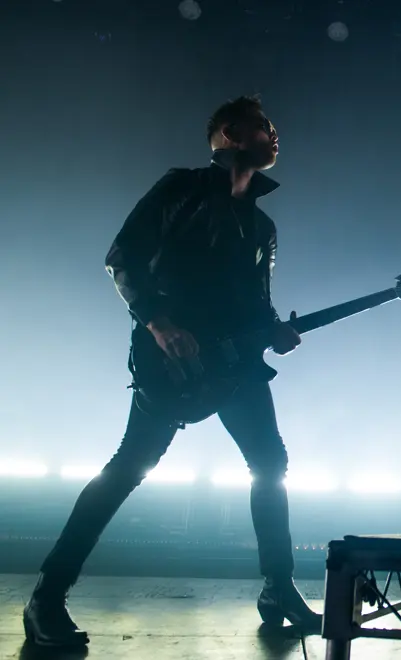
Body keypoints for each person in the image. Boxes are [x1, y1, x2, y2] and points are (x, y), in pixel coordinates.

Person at [23, 95, 321, 648]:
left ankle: (278, 586)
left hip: (235, 367)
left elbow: (258, 304)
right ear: (229, 135)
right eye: (264, 127)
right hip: (173, 362)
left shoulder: (261, 226)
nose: (276, 135)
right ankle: (47, 596)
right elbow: (123, 256)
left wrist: (275, 329)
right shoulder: (180, 190)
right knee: (130, 467)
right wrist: (159, 325)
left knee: (270, 464)